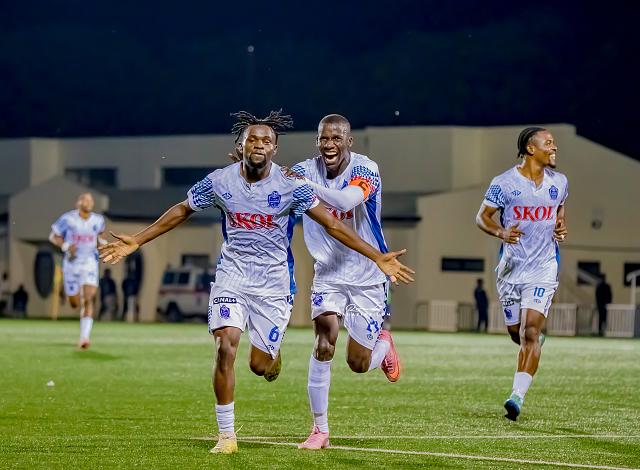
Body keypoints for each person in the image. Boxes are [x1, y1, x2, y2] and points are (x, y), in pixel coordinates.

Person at [98, 110, 414, 455]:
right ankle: (238, 435)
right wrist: (137, 240)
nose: (259, 144)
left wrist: (377, 256)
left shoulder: (318, 178)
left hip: (291, 281)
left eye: (266, 141)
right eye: (252, 140)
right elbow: (182, 209)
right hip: (241, 276)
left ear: (275, 149)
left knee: (281, 364)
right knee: (235, 346)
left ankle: (332, 352)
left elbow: (337, 218)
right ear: (241, 146)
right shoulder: (223, 181)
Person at [286, 114, 403, 449]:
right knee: (324, 343)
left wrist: (303, 186)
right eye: (324, 138)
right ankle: (319, 429)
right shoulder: (305, 169)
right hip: (328, 273)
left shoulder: (366, 169)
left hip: (368, 273)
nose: (329, 145)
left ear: (349, 141)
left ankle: (384, 346)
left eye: (336, 138)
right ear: (317, 141)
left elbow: (346, 201)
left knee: (358, 364)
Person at [475, 127, 568, 421]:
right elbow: (482, 217)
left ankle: (516, 397)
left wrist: (560, 225)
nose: (554, 147)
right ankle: (533, 343)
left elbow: (559, 209)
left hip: (544, 267)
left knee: (530, 332)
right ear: (531, 148)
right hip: (511, 269)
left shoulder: (560, 182)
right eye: (548, 143)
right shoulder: (504, 183)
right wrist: (502, 233)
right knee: (516, 333)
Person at [49, 193, 106, 349]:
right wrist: (66, 246)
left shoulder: (98, 220)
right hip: (72, 264)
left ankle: (84, 338)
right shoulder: (68, 219)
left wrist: (103, 243)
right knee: (74, 303)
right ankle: (73, 297)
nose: (88, 202)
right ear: (78, 203)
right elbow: (53, 236)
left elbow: (100, 237)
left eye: (90, 200)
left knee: (88, 298)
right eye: (85, 200)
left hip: (90, 262)